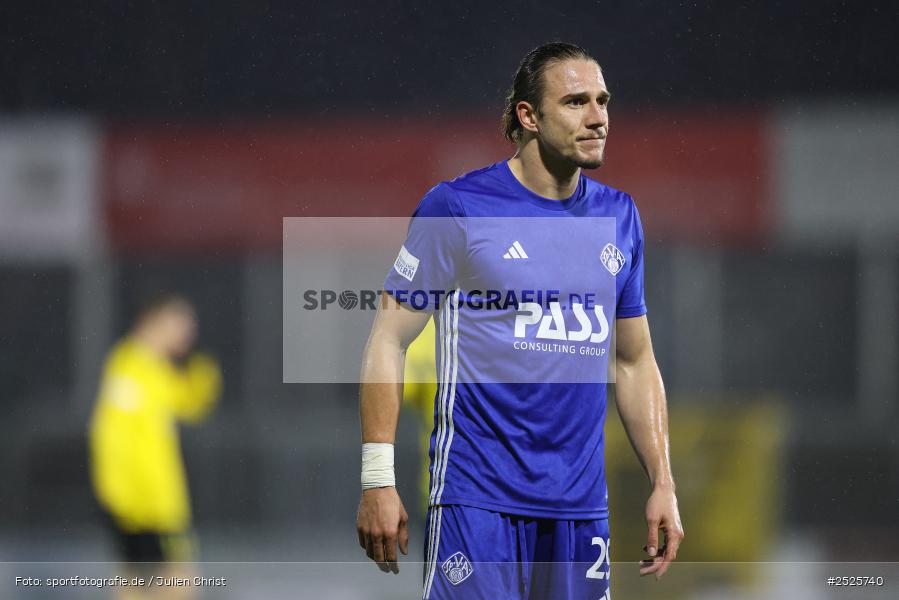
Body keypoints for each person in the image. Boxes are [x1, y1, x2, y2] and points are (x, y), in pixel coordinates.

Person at [356, 42, 683, 599]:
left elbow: (634, 361)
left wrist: (663, 482)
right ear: (528, 116)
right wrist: (377, 479)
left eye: (603, 101)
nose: (598, 117)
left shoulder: (620, 217)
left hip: (580, 510)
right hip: (476, 503)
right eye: (576, 102)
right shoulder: (458, 208)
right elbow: (388, 339)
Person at [88, 293, 221, 599]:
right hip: (143, 506)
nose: (186, 333)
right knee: (164, 584)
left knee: (158, 584)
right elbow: (112, 440)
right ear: (152, 322)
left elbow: (190, 404)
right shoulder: (129, 368)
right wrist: (124, 500)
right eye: (179, 324)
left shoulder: (154, 369)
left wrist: (201, 371)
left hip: (159, 502)